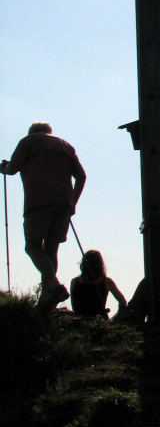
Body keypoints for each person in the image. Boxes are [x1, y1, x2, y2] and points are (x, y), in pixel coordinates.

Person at [1, 122, 86, 310]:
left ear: (31, 132)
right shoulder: (66, 146)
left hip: (38, 201)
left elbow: (13, 169)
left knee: (32, 246)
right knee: (51, 249)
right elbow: (81, 176)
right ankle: (47, 299)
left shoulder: (29, 142)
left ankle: (53, 286)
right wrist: (73, 202)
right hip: (63, 204)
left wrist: (4, 168)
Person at [70, 250, 127, 318]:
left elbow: (74, 308)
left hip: (79, 324)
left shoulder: (74, 282)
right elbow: (123, 302)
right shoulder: (107, 282)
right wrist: (114, 320)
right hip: (99, 323)